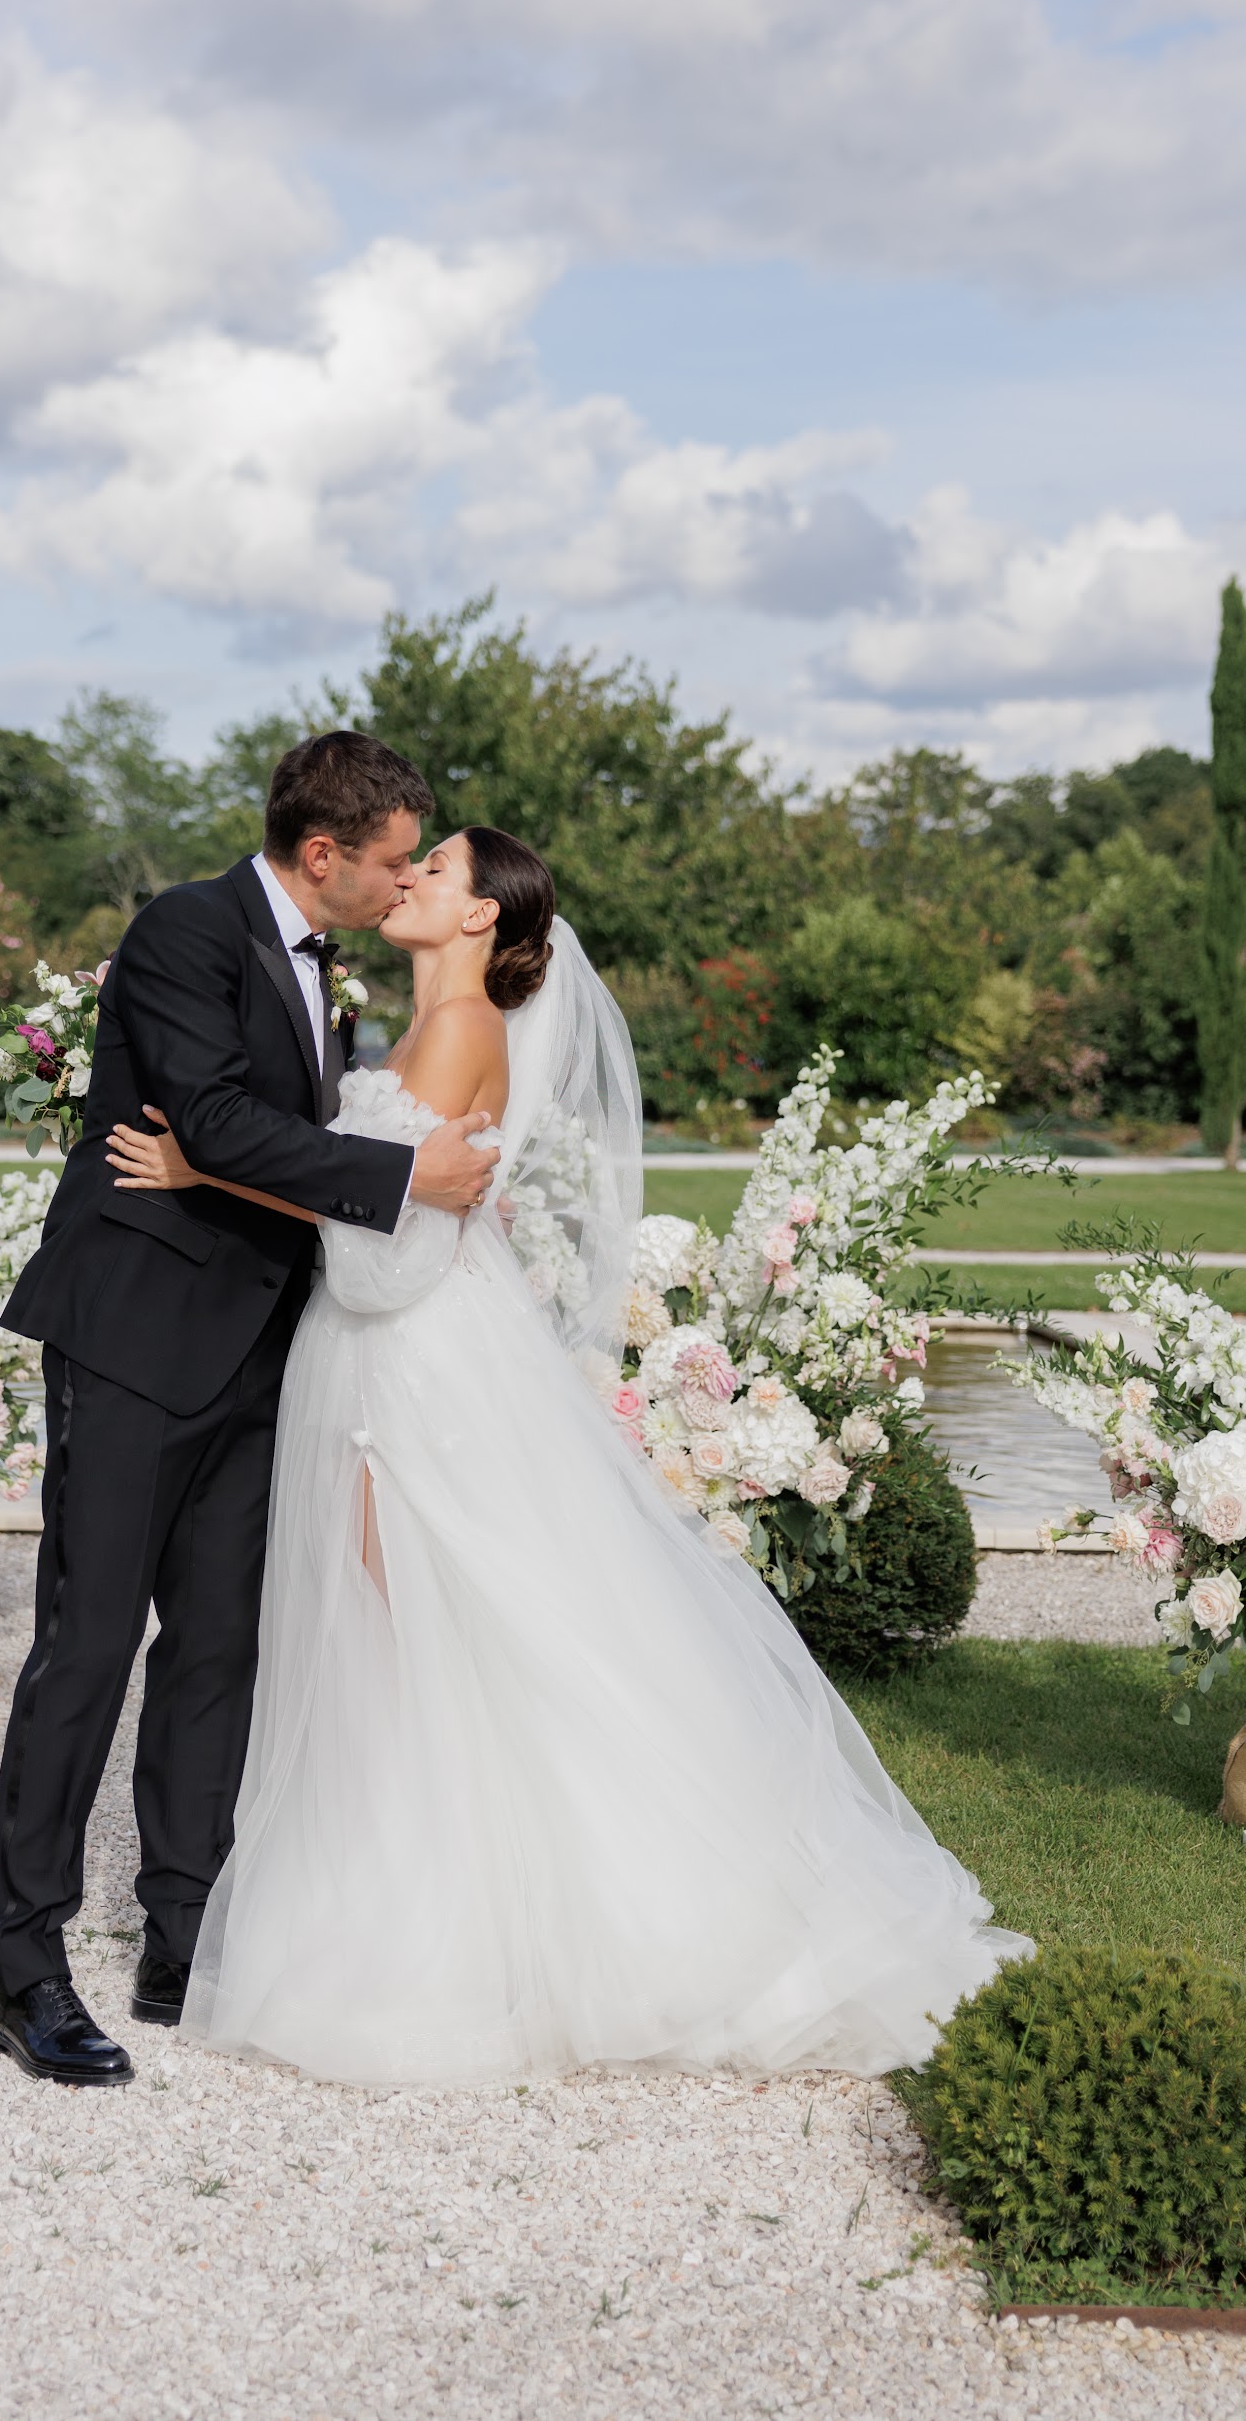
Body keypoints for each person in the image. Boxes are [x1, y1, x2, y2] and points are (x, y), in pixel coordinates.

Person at [106, 825, 1029, 2085]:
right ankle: (460, 1900)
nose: (412, 876)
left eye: (436, 868)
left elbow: (384, 1255)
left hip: (405, 1369)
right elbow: (381, 1190)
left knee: (423, 1636)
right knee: (427, 1636)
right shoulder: (426, 1029)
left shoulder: (453, 1034)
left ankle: (490, 1928)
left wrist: (202, 1166)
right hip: (401, 1358)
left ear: (483, 915)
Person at [0, 732, 496, 2086]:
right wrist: (398, 1184)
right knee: (86, 1646)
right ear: (321, 852)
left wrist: (237, 1172)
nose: (398, 889)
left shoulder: (325, 970)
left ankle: (181, 1927)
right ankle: (21, 1966)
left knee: (217, 1648)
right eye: (388, 862)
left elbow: (233, 1145)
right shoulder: (184, 930)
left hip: (261, 1351)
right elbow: (206, 1114)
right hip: (139, 1337)